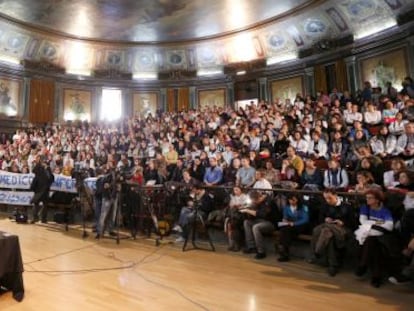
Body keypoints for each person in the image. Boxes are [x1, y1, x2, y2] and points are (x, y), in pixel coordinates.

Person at [354, 189, 395, 288]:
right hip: (369, 235)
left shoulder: (385, 211)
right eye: (366, 198)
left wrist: (371, 223)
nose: (367, 200)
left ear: (377, 200)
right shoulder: (365, 208)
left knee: (372, 242)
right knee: (373, 246)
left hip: (382, 237)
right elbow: (362, 221)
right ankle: (376, 277)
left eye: (370, 198)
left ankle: (363, 265)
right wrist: (379, 223)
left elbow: (390, 226)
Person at [309, 189, 353, 276]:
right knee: (328, 235)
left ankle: (317, 252)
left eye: (330, 198)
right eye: (325, 198)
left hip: (342, 229)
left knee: (323, 230)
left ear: (336, 195)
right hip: (328, 230)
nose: (328, 201)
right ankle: (333, 266)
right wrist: (325, 219)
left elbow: (353, 222)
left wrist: (343, 222)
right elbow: (320, 219)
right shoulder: (324, 206)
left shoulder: (347, 206)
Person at [241, 191, 274, 259]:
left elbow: (263, 214)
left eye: (255, 201)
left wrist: (248, 210)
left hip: (270, 222)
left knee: (256, 227)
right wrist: (247, 208)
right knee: (246, 222)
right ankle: (251, 247)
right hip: (260, 221)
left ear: (259, 198)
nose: (254, 203)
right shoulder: (256, 202)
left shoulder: (268, 202)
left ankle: (261, 251)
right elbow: (254, 216)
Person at [276, 194, 309, 262]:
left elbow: (305, 219)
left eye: (293, 200)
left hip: (300, 225)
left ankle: (281, 247)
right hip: (289, 226)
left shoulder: (303, 207)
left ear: (297, 200)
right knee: (285, 229)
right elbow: (285, 217)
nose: (292, 201)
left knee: (285, 230)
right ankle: (284, 251)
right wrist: (284, 220)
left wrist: (294, 223)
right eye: (290, 200)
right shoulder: (286, 207)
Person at [29, 156, 55, 223]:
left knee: (45, 205)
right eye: (42, 161)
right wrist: (39, 164)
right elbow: (33, 171)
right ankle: (35, 218)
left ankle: (44, 219)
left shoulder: (48, 169)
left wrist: (47, 168)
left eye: (45, 161)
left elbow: (51, 178)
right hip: (38, 189)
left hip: (45, 190)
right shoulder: (38, 167)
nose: (44, 162)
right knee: (36, 203)